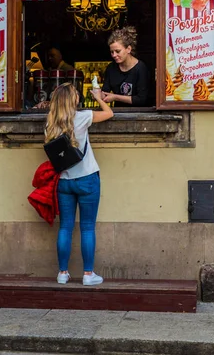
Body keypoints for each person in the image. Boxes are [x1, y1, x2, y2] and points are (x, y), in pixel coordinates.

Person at [45, 82, 113, 285]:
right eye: (76, 94)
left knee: (65, 227)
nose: (78, 97)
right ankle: (88, 274)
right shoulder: (82, 117)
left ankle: (63, 273)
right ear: (72, 99)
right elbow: (109, 113)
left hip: (64, 181)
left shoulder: (50, 123)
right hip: (87, 179)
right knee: (87, 228)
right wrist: (99, 96)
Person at [102, 26, 149, 107]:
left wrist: (115, 97)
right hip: (118, 113)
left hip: (139, 114)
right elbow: (105, 92)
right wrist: (99, 95)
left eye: (117, 51)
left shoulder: (140, 68)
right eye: (112, 52)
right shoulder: (111, 68)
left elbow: (141, 99)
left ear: (128, 49)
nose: (114, 55)